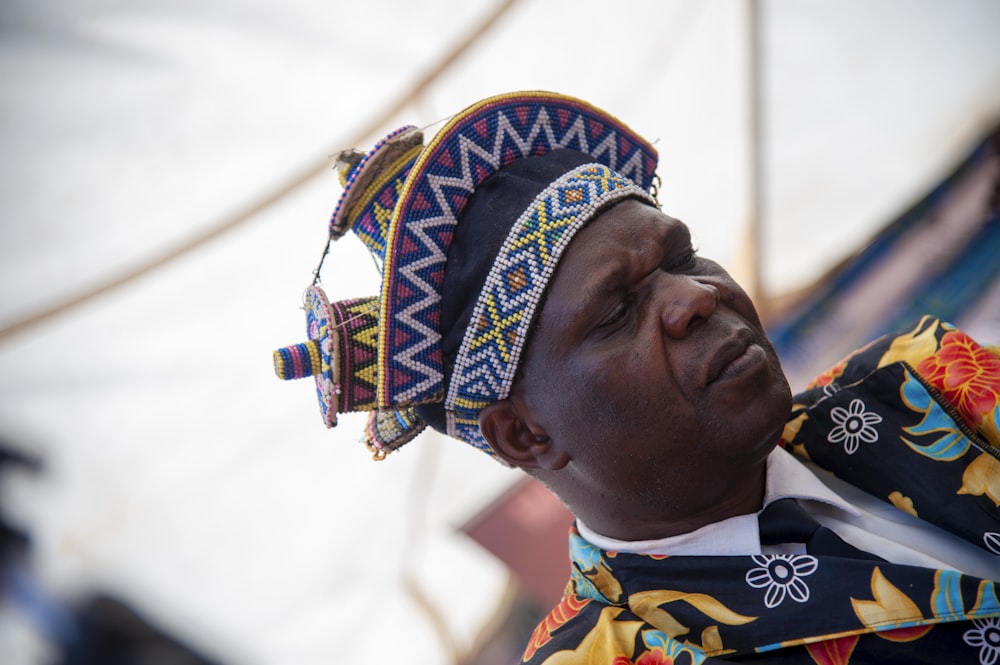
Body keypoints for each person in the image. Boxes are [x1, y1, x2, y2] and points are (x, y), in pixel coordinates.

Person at [273, 91, 1000, 663]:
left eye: (682, 257)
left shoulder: (921, 377)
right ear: (525, 433)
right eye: (618, 310)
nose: (697, 297)